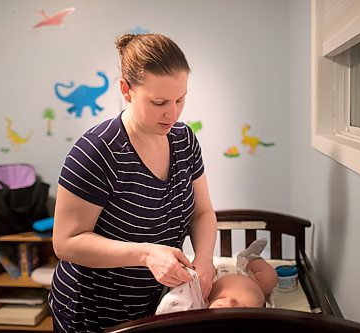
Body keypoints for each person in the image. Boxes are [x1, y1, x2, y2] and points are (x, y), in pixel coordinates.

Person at [48, 33, 217, 333]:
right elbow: (66, 242)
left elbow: (202, 212)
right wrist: (146, 253)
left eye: (180, 99)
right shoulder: (97, 151)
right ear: (127, 90)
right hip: (93, 311)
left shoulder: (184, 140)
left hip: (148, 305)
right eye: (159, 102)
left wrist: (204, 261)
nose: (173, 113)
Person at [156, 238, 278, 313]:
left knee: (200, 281)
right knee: (270, 278)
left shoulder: (203, 307)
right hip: (255, 283)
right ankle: (248, 259)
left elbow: (181, 306)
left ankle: (245, 261)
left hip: (217, 280)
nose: (229, 302)